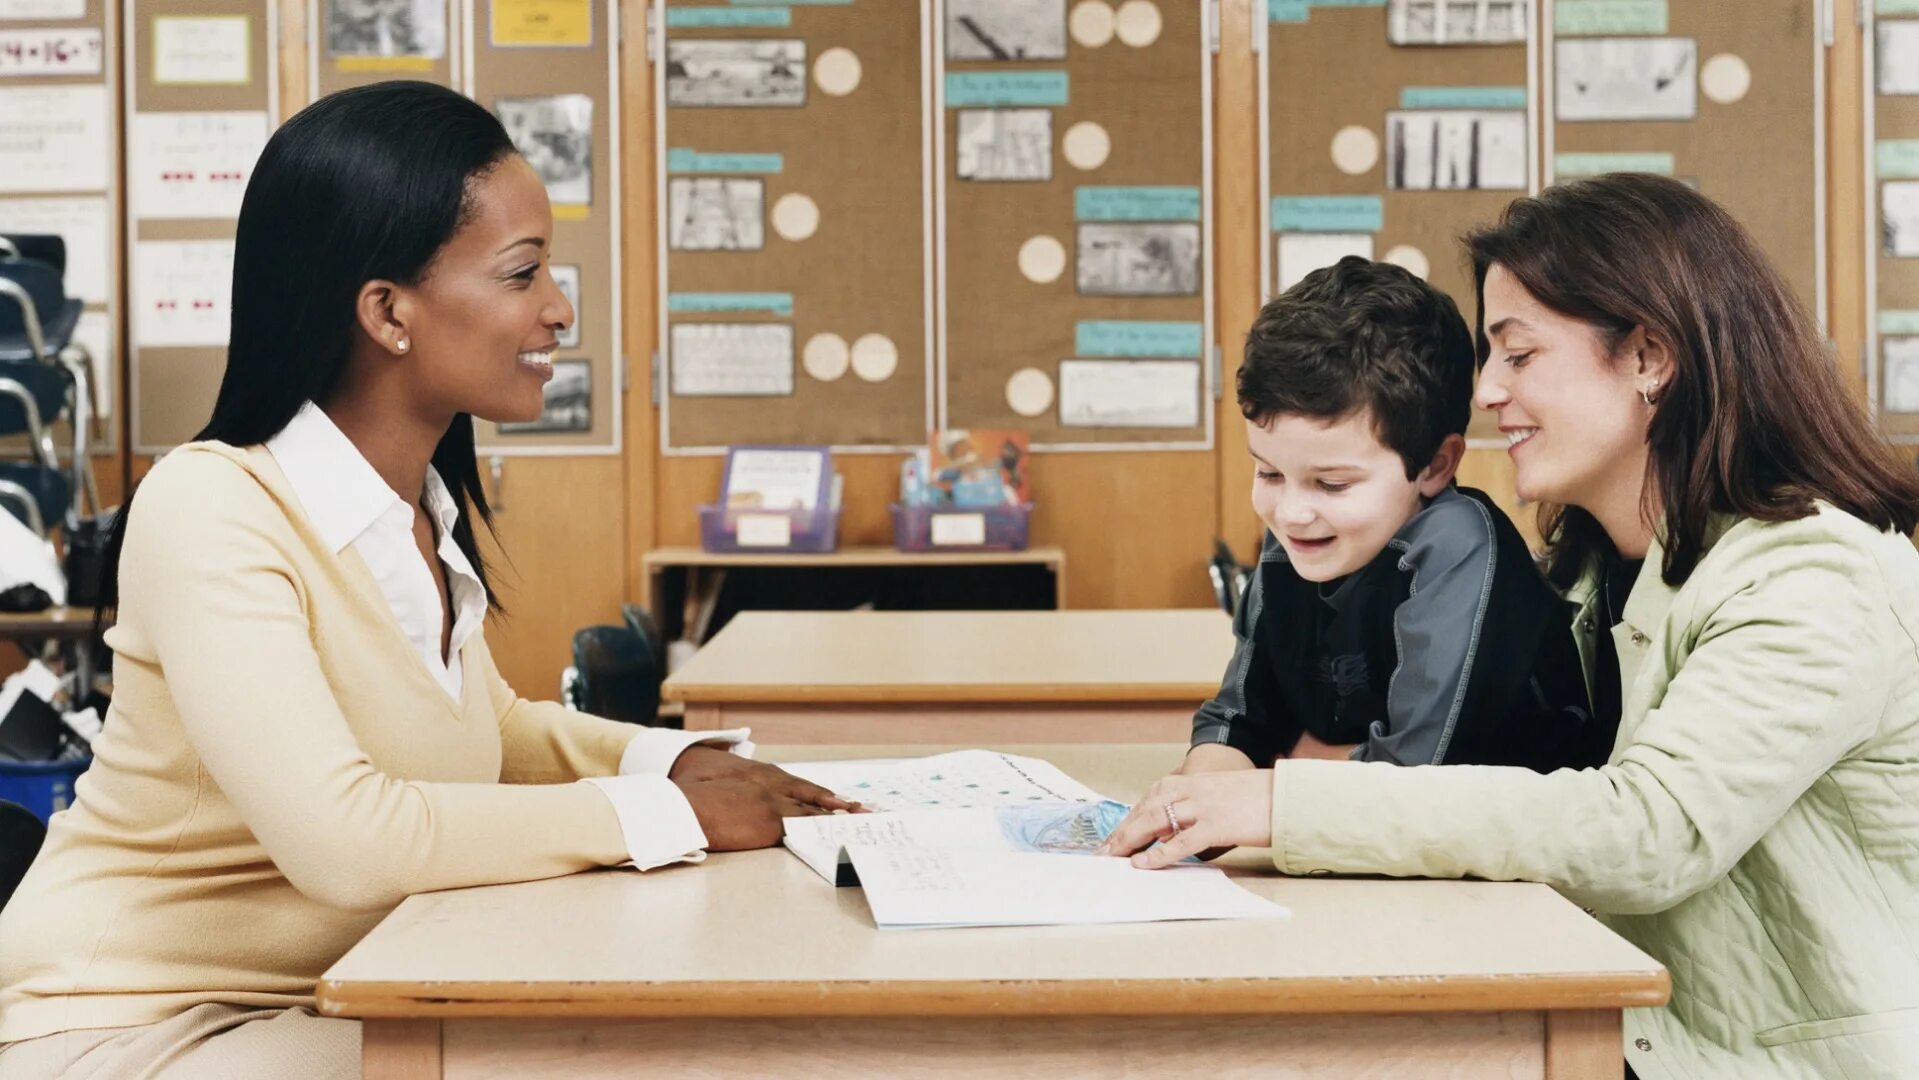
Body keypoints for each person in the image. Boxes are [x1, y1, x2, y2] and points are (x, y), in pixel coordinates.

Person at [0, 82, 854, 1079]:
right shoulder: (213, 507)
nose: (558, 309)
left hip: (334, 992)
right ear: (388, 311)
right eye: (521, 273)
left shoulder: (416, 517)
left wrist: (671, 766)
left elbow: (492, 731)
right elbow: (347, 842)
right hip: (129, 1024)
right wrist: (663, 818)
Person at [1102, 174, 1919, 1079]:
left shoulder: (1813, 573)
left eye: (1517, 355)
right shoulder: (1589, 568)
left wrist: (1276, 801)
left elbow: (1646, 832)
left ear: (1649, 356)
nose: (1486, 390)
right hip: (1604, 1018)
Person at [1185, 257, 1600, 776]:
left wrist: (1286, 771)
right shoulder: (1300, 539)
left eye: (1333, 484)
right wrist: (1200, 792)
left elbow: (1412, 775)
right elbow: (1238, 717)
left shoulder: (1457, 543)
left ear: (1436, 465)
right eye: (1268, 474)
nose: (1290, 513)